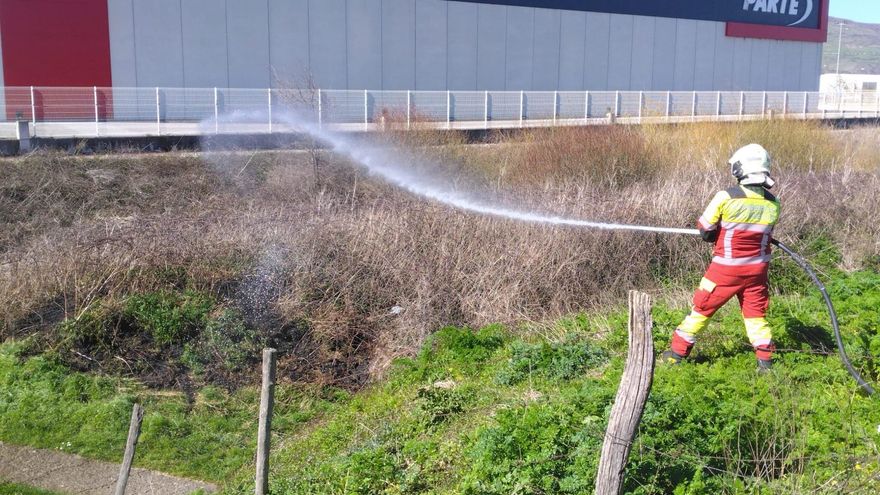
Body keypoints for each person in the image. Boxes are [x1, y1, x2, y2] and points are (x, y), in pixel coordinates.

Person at [661, 144, 781, 371]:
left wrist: (717, 232)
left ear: (740, 169)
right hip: (757, 271)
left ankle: (676, 354)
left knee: (702, 308)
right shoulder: (773, 203)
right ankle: (765, 362)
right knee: (755, 315)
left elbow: (705, 229)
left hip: (725, 270)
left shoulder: (726, 197)